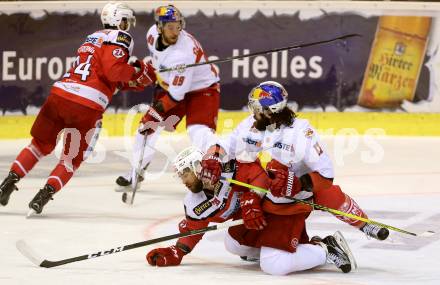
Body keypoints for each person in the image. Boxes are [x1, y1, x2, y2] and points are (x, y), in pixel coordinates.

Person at [0, 2, 153, 215]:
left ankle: (9, 181)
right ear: (120, 20)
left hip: (60, 96)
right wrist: (138, 71)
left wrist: (136, 78)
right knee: (71, 160)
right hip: (86, 106)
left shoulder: (93, 37)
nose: (128, 26)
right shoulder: (121, 38)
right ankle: (44, 194)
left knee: (38, 145)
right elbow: (114, 72)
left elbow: (109, 77)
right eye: (126, 20)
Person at [199, 81, 390, 241]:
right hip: (269, 192)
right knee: (253, 240)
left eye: (256, 108)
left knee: (329, 195)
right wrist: (213, 157)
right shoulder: (250, 124)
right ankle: (308, 246)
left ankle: (364, 224)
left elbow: (326, 173)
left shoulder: (301, 133)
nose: (252, 112)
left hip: (299, 192)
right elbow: (225, 146)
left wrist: (298, 184)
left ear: (270, 111)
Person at [146, 147, 357, 275]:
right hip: (255, 222)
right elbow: (194, 228)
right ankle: (285, 249)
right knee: (233, 243)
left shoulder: (229, 169)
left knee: (275, 265)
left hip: (278, 211)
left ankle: (327, 249)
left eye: (185, 174)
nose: (183, 180)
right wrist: (178, 251)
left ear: (198, 168)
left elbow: (261, 177)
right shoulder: (194, 202)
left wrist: (251, 198)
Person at [115, 5, 220, 190]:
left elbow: (176, 95)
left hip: (202, 89)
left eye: (178, 26)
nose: (175, 31)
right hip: (175, 86)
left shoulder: (183, 54)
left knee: (199, 131)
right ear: (159, 26)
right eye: (170, 26)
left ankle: (214, 176)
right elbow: (159, 64)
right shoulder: (150, 35)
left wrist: (154, 111)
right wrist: (148, 72)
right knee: (146, 127)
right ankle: (135, 173)